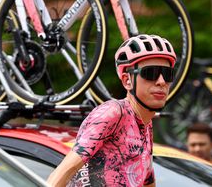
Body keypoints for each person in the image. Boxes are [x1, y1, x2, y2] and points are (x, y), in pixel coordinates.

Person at [47, 34, 177, 187]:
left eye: (167, 74)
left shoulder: (145, 124)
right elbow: (63, 172)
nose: (161, 81)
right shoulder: (114, 112)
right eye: (151, 73)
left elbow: (148, 182)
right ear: (127, 80)